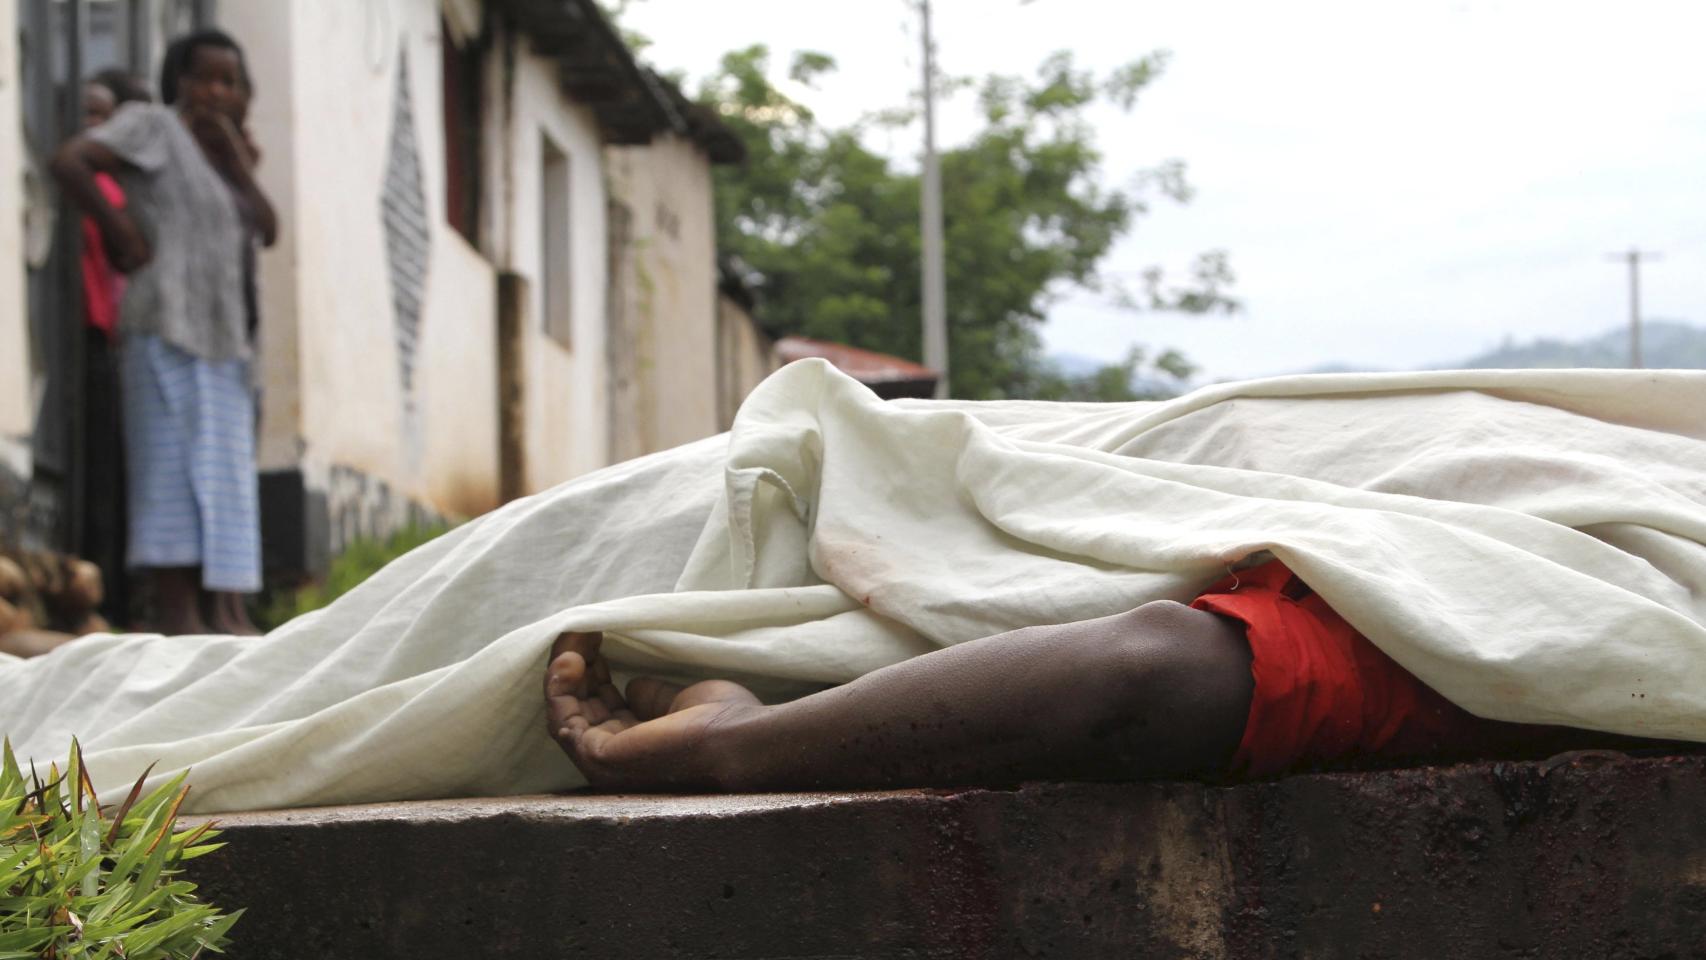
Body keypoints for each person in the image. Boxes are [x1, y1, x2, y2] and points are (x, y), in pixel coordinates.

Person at [52, 31, 277, 636]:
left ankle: (225, 613)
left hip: (225, 344)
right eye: (204, 77)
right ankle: (178, 616)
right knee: (171, 473)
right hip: (163, 329)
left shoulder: (227, 154)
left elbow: (268, 227)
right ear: (177, 80)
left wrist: (233, 161)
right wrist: (120, 231)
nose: (216, 91)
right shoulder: (151, 126)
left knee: (225, 481)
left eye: (229, 81)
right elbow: (70, 160)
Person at [75, 69, 153, 625]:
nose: (96, 127)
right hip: (88, 335)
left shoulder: (119, 189)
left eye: (105, 116)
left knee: (115, 475)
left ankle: (116, 597)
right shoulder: (95, 186)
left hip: (116, 338)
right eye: (88, 115)